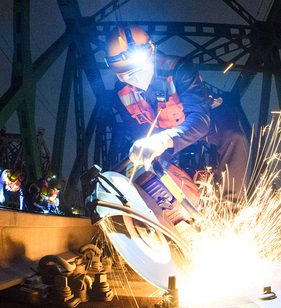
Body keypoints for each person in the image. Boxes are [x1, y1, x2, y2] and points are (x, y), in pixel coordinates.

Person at [105, 25, 249, 200]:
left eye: (137, 69)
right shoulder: (121, 92)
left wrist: (162, 141)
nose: (133, 77)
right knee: (148, 165)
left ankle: (231, 209)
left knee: (233, 137)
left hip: (201, 119)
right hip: (162, 130)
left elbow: (199, 120)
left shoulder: (179, 69)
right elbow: (138, 131)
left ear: (151, 53)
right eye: (124, 73)